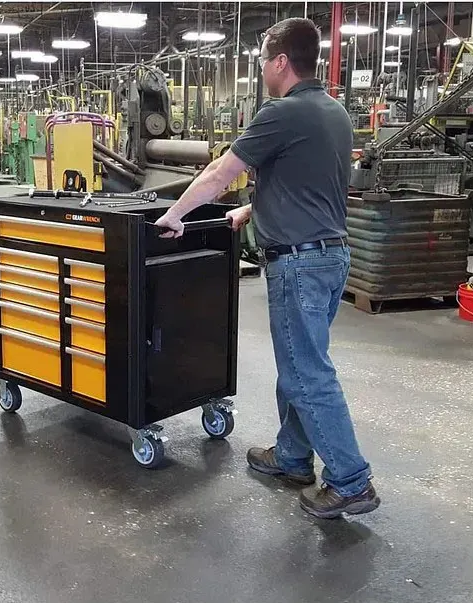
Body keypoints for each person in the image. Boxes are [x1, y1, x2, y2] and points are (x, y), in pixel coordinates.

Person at [154, 17, 378, 519]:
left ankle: (350, 480)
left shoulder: (282, 112)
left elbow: (220, 172)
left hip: (299, 263)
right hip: (330, 255)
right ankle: (293, 457)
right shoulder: (334, 112)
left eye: (261, 62)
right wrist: (251, 209)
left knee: (306, 373)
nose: (260, 71)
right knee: (300, 364)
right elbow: (307, 186)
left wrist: (176, 214)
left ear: (280, 62)